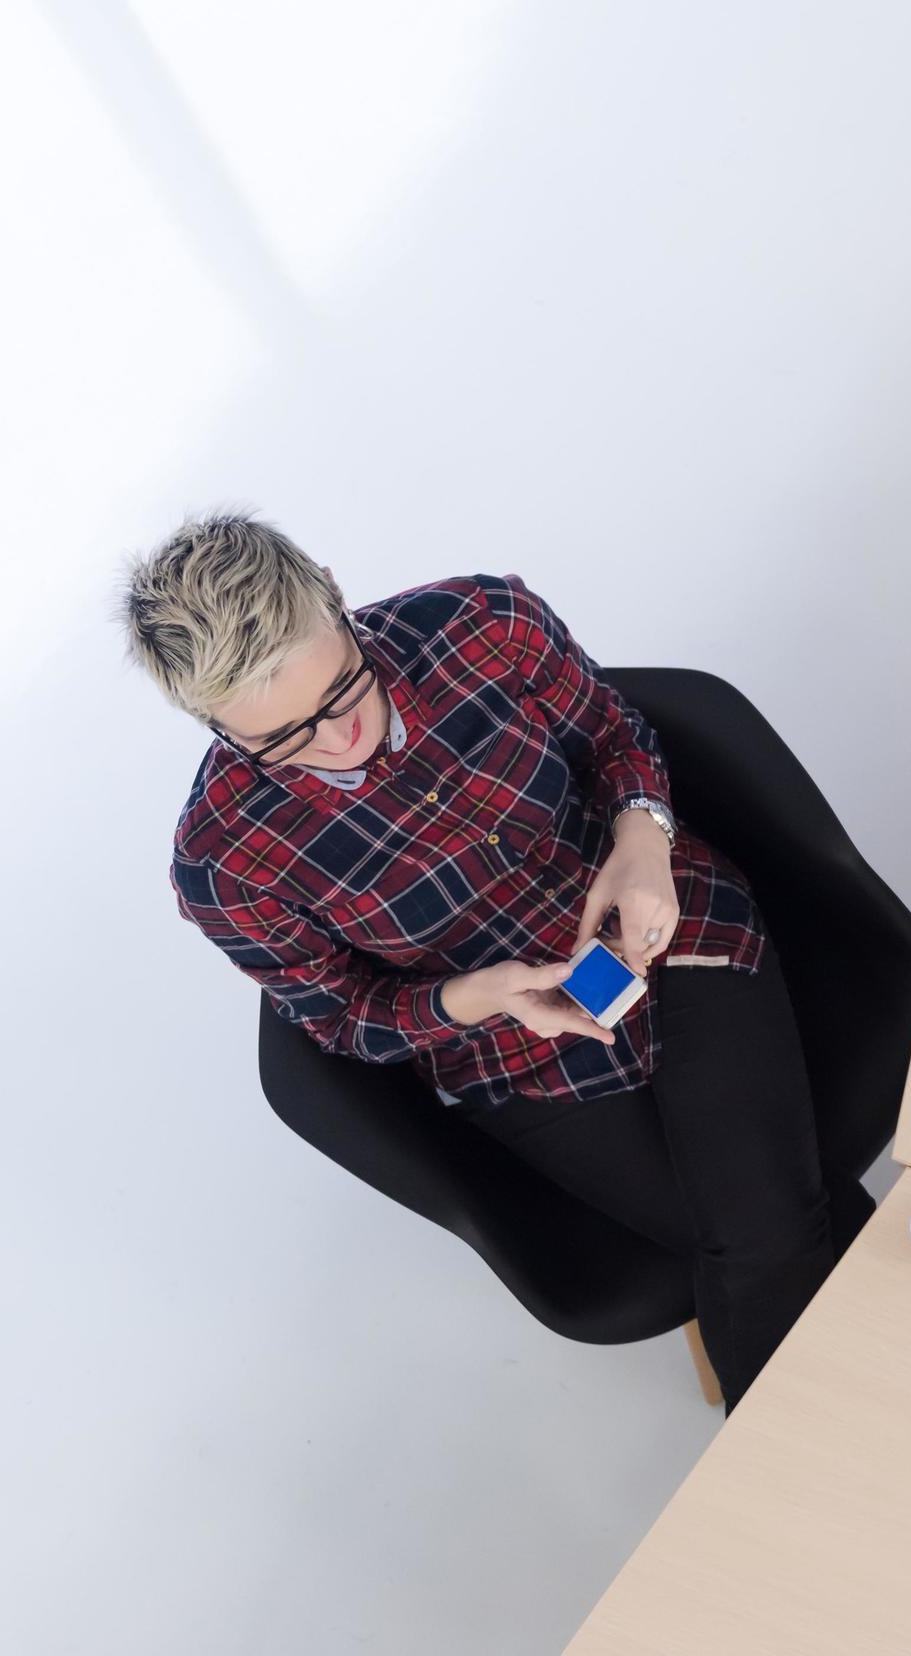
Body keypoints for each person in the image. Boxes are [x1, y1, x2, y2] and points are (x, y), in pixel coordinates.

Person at [120, 513, 840, 1410]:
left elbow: (615, 735)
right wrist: (471, 997)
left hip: (677, 936)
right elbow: (339, 1017)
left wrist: (643, 835)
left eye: (342, 689)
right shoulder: (225, 864)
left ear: (338, 597)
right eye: (283, 740)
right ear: (210, 722)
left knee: (755, 1235)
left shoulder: (483, 624)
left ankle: (801, 1494)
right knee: (771, 1227)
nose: (340, 739)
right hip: (515, 1055)